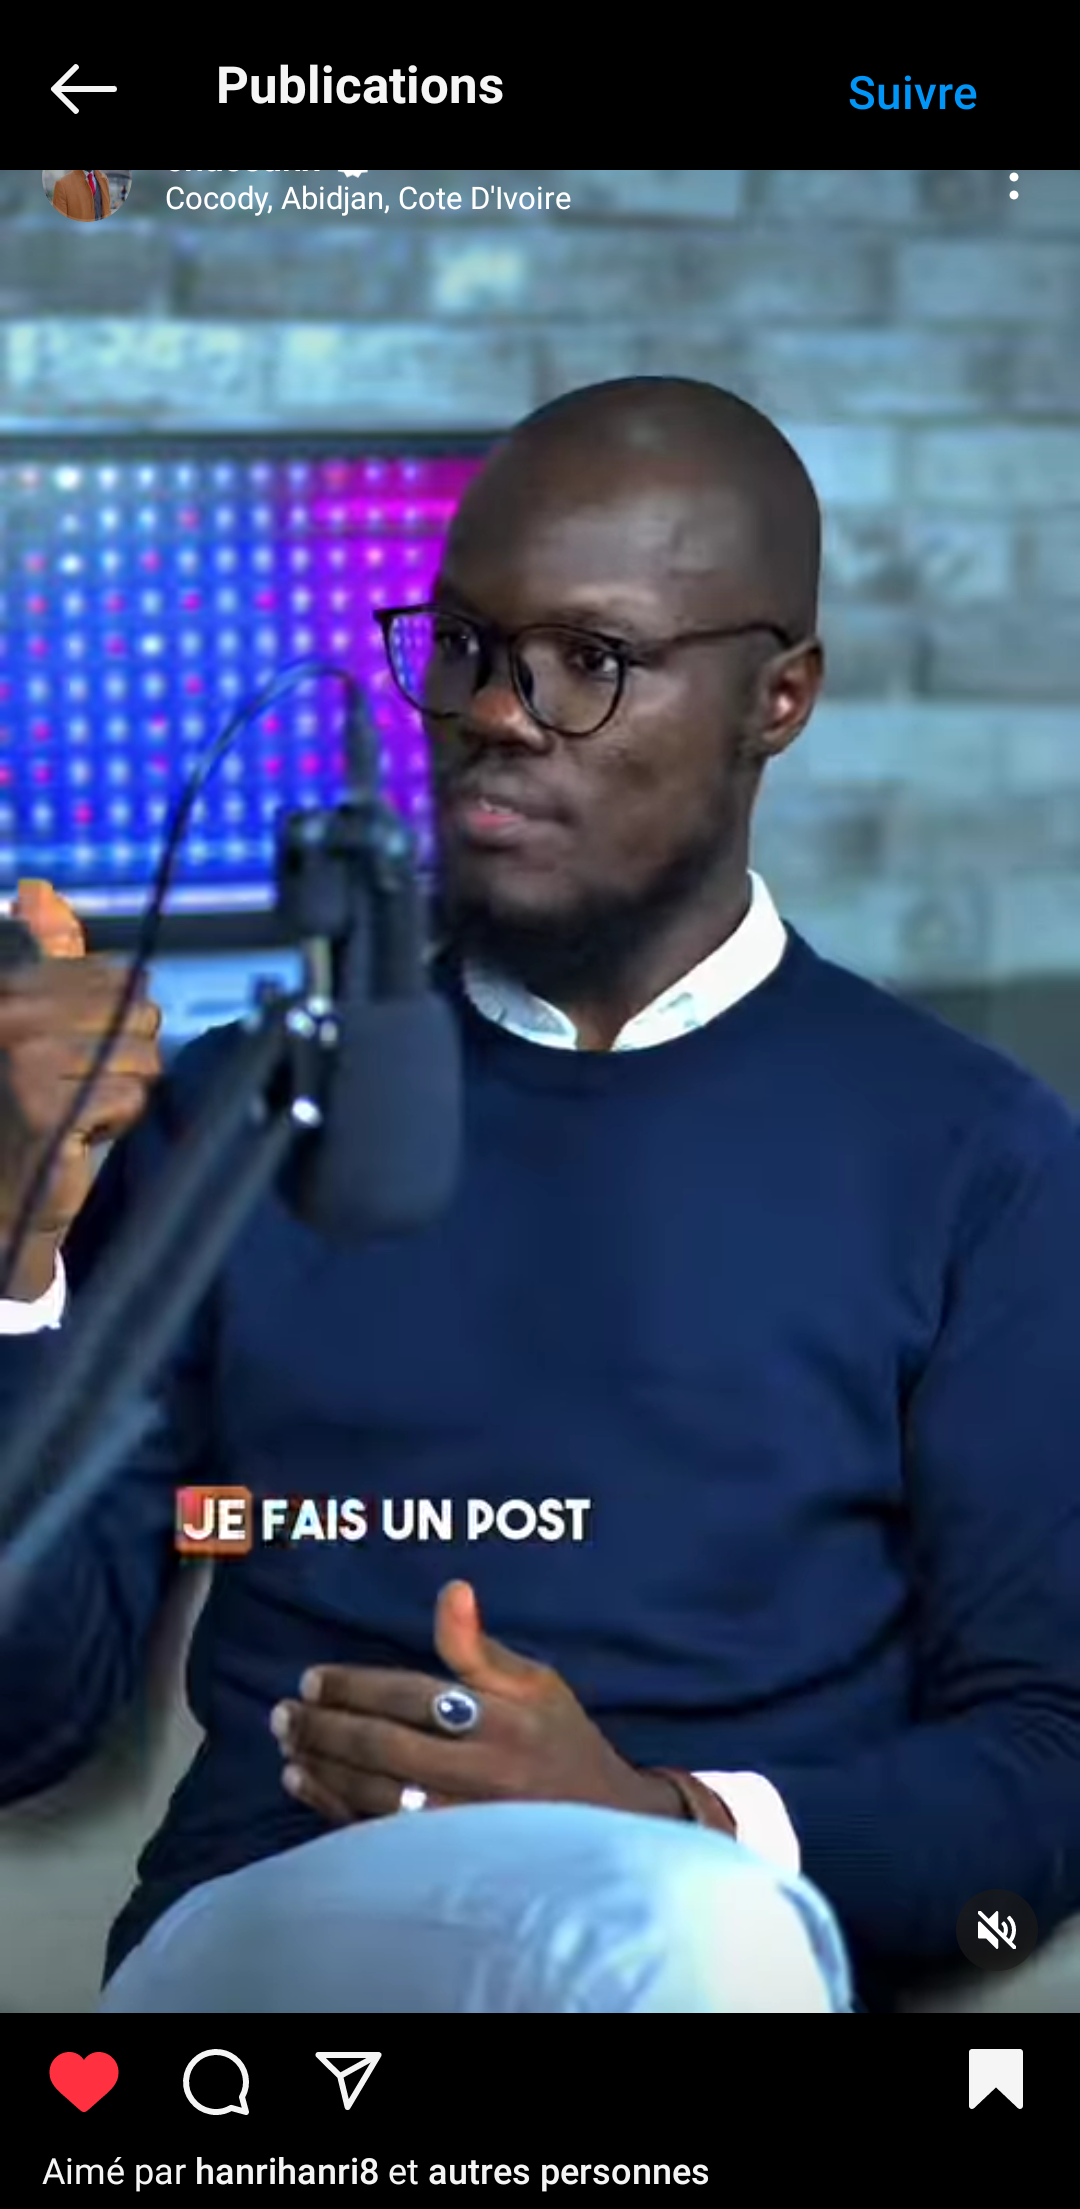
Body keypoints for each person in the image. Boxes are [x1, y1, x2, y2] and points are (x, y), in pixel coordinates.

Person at [2, 377, 1080, 2015]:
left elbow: (1046, 1768)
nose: (498, 713)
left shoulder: (974, 1158)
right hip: (277, 1923)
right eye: (465, 646)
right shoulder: (233, 1116)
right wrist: (15, 1246)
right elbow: (26, 1726)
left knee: (690, 1930)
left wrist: (665, 1817)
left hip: (726, 1943)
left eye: (591, 660)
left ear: (779, 699)